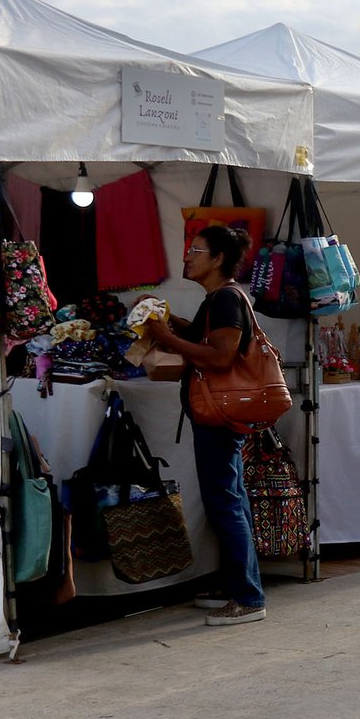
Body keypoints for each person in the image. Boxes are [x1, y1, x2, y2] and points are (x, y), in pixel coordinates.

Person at [142, 225, 265, 626]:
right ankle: (237, 585)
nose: (187, 256)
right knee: (230, 498)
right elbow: (201, 337)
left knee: (225, 502)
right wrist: (166, 318)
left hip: (218, 414)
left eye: (197, 250)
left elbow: (218, 358)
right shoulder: (216, 300)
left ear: (218, 260)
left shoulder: (227, 299)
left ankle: (247, 597)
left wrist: (166, 336)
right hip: (213, 412)